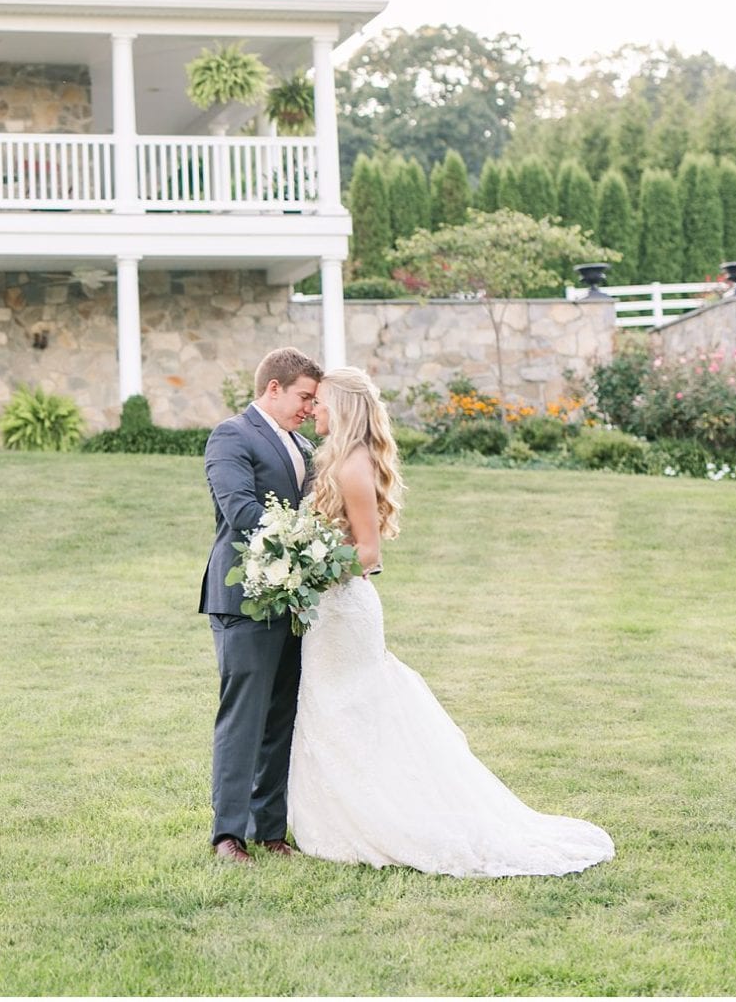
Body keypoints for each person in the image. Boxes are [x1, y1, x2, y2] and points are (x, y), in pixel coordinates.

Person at [287, 366, 614, 877]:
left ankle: (383, 817)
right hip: (333, 609)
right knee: (340, 709)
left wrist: (309, 567)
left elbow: (368, 555)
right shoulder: (340, 459)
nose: (316, 410)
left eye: (323, 403)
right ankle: (346, 812)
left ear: (344, 408)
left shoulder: (353, 466)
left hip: (344, 607)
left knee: (347, 709)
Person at [200, 347, 322, 863]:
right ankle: (227, 834)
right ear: (274, 387)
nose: (310, 409)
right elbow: (241, 509)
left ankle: (269, 829)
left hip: (292, 599)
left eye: (314, 401)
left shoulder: (303, 445)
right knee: (244, 716)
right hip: (243, 596)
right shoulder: (231, 435)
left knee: (281, 717)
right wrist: (305, 541)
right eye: (304, 397)